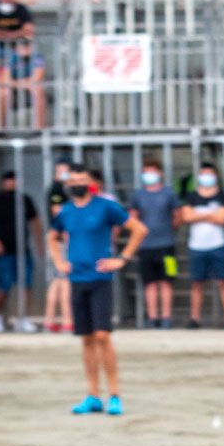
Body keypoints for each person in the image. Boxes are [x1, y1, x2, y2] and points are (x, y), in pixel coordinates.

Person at [48, 166, 139, 414]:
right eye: (73, 180)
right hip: (77, 279)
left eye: (82, 180)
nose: (77, 183)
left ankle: (115, 394)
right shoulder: (65, 212)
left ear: (90, 183)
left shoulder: (105, 207)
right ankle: (92, 394)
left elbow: (138, 230)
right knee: (86, 338)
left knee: (103, 336)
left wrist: (122, 258)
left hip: (100, 278)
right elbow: (52, 237)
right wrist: (59, 262)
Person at [182, 163, 224, 329]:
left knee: (223, 281)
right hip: (196, 246)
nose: (206, 177)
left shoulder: (222, 195)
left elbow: (222, 219)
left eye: (209, 173)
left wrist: (198, 214)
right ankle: (195, 318)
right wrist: (211, 214)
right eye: (203, 173)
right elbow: (186, 217)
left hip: (218, 245)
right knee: (197, 283)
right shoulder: (191, 196)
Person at [129, 161, 181, 328]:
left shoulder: (169, 194)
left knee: (168, 281)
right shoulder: (138, 195)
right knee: (149, 283)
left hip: (168, 245)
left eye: (152, 171)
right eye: (145, 171)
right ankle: (152, 317)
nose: (148, 175)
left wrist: (169, 229)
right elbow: (132, 218)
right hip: (145, 247)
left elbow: (178, 216)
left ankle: (167, 317)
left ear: (161, 173)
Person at [0, 169, 40, 331]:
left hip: (23, 250)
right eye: (8, 180)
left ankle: (23, 318)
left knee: (26, 285)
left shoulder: (24, 199)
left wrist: (40, 245)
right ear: (3, 182)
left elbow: (35, 222)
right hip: (4, 251)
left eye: (13, 180)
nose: (11, 183)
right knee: (3, 286)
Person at [41, 159, 74, 333]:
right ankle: (67, 321)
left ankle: (49, 320)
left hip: (59, 238)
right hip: (61, 240)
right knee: (64, 279)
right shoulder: (57, 188)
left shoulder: (63, 188)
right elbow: (58, 212)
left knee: (57, 280)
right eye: (60, 169)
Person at [0, 36, 47, 130]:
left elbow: (37, 78)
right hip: (16, 88)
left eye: (28, 44)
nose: (26, 48)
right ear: (16, 48)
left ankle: (39, 130)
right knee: (2, 93)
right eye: (22, 45)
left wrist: (14, 83)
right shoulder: (10, 58)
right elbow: (4, 80)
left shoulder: (37, 58)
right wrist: (22, 83)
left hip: (28, 87)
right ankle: (1, 130)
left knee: (38, 90)